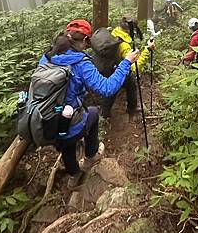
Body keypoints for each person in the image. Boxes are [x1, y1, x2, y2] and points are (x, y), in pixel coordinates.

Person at [39, 19, 139, 190]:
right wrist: (126, 62)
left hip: (46, 121)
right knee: (92, 113)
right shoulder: (81, 63)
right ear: (86, 41)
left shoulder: (48, 56)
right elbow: (107, 88)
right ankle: (91, 155)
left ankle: (74, 174)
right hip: (67, 122)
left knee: (66, 142)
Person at [101, 17, 155, 118]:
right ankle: (130, 109)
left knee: (127, 85)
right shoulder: (124, 45)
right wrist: (147, 50)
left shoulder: (115, 33)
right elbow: (134, 67)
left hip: (109, 67)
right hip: (117, 70)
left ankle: (105, 115)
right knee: (123, 84)